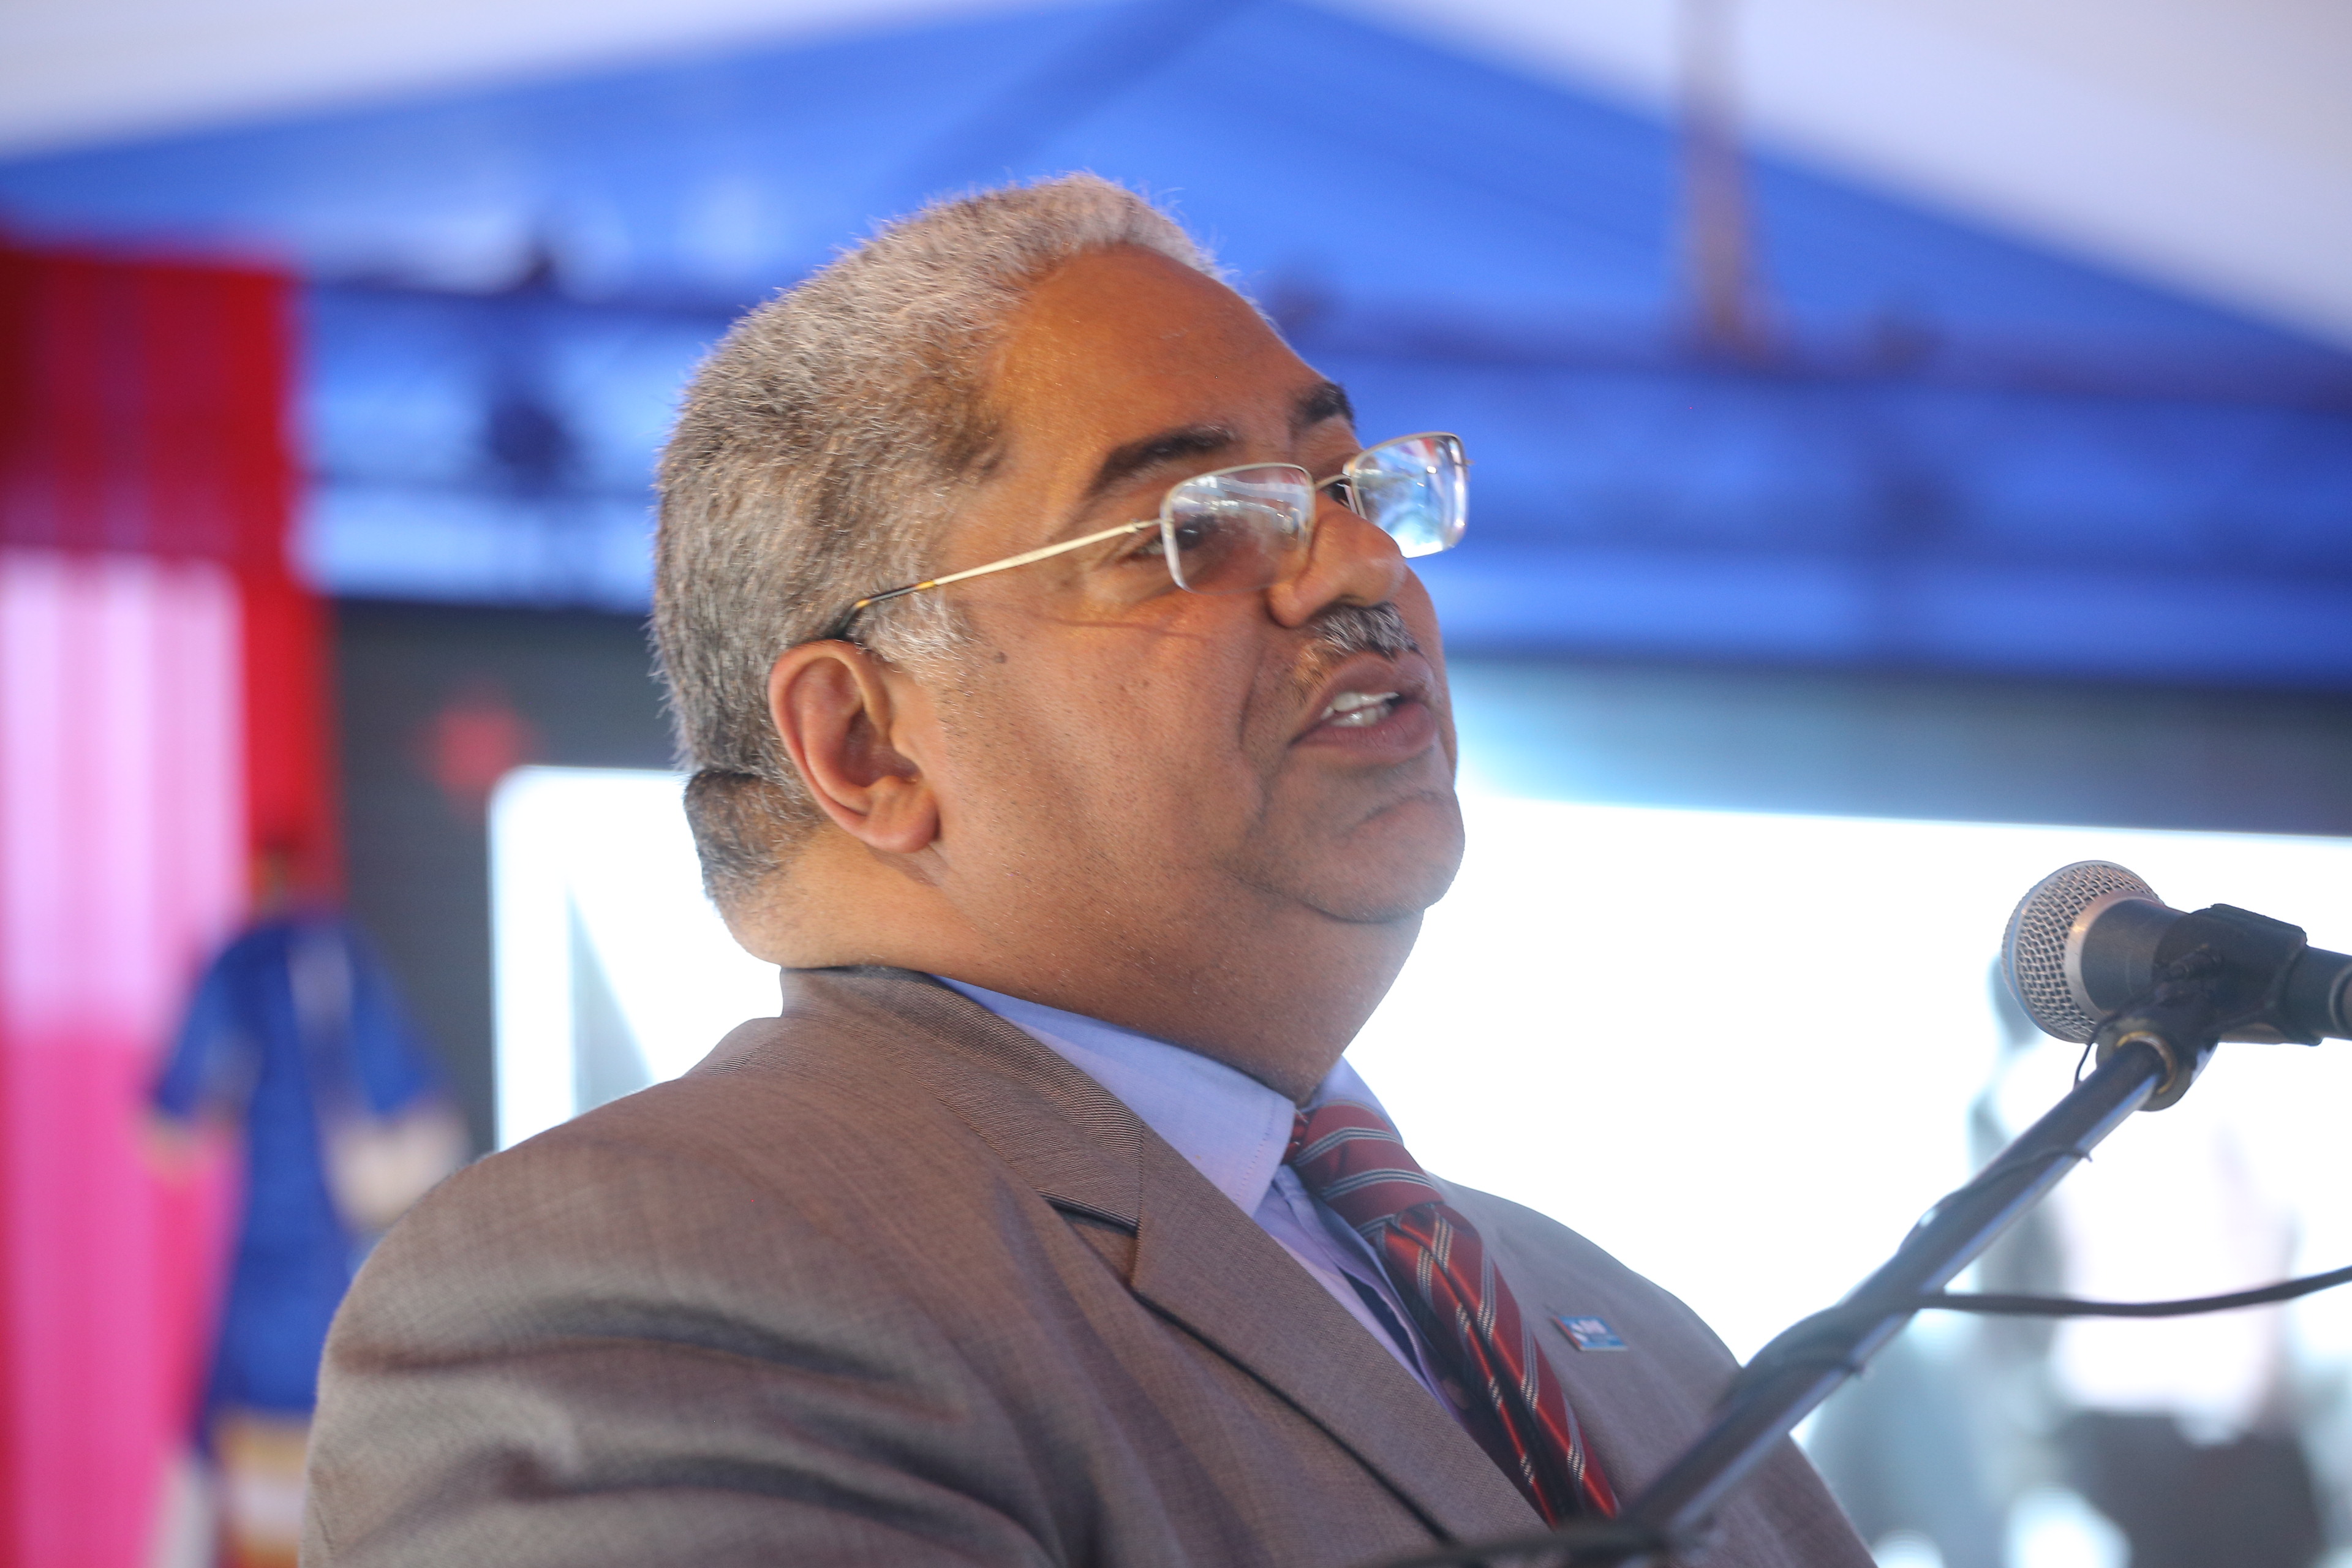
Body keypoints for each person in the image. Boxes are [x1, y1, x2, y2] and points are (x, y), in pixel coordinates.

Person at [302, 175, 1870, 1567]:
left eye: (1351, 484)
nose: (1360, 563)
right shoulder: (650, 1278)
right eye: (1195, 526)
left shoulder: (1620, 1328)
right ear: (867, 745)